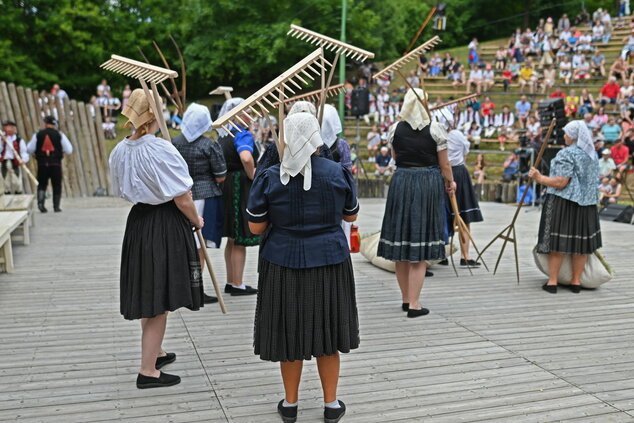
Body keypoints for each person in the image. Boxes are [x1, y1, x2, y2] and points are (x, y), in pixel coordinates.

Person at [247, 111, 359, 423]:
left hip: (283, 261)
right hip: (330, 261)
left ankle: (291, 404)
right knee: (328, 333)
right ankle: (331, 403)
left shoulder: (270, 177)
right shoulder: (338, 172)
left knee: (289, 335)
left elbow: (255, 228)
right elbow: (350, 216)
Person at [108, 88, 204, 388]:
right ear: (154, 116)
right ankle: (148, 370)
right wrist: (196, 219)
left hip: (138, 221)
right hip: (163, 222)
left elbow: (122, 190)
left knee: (149, 290)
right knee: (159, 298)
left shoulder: (119, 150)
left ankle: (156, 351)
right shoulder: (160, 149)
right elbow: (182, 198)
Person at [377, 88, 455, 318]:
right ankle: (414, 303)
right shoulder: (435, 129)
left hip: (401, 181)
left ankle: (405, 299)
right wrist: (450, 182)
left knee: (401, 246)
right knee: (419, 246)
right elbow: (445, 165)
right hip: (426, 183)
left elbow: (394, 157)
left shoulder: (395, 129)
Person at [529, 121, 601, 294]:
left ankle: (552, 281)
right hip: (587, 205)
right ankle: (575, 282)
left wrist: (539, 177)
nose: (564, 136)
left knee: (558, 243)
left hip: (565, 203)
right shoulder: (592, 154)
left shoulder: (566, 153)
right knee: (580, 245)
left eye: (566, 133)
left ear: (574, 136)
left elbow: (561, 182)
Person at [172, 103, 227, 304]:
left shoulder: (173, 143)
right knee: (199, 246)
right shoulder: (209, 145)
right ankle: (195, 289)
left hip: (179, 197)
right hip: (204, 196)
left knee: (185, 244)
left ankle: (183, 288)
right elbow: (221, 175)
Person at [217, 98, 260, 296]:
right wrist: (253, 174)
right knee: (239, 238)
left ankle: (231, 281)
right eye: (246, 111)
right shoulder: (242, 135)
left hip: (227, 186)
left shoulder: (223, 136)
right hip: (240, 186)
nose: (249, 115)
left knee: (232, 239)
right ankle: (237, 283)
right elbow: (246, 157)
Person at [446, 127, 483, 266]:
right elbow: (466, 148)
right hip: (456, 172)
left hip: (444, 172)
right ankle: (464, 255)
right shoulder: (455, 134)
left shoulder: (438, 132)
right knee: (463, 217)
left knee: (448, 216)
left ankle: (444, 255)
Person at [27, 116, 73, 212]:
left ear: (45, 123)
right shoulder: (59, 135)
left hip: (42, 163)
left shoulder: (38, 135)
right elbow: (69, 149)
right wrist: (61, 151)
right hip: (55, 163)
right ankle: (56, 206)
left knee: (42, 184)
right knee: (56, 184)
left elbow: (29, 149)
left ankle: (41, 205)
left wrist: (37, 153)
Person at [0, 120, 29, 194]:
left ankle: (18, 196)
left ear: (13, 128)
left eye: (10, 127)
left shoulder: (18, 140)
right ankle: (6, 196)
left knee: (17, 182)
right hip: (4, 162)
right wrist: (2, 141)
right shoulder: (1, 138)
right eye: (6, 127)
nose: (8, 129)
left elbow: (24, 152)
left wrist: (24, 160)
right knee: (5, 181)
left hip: (14, 162)